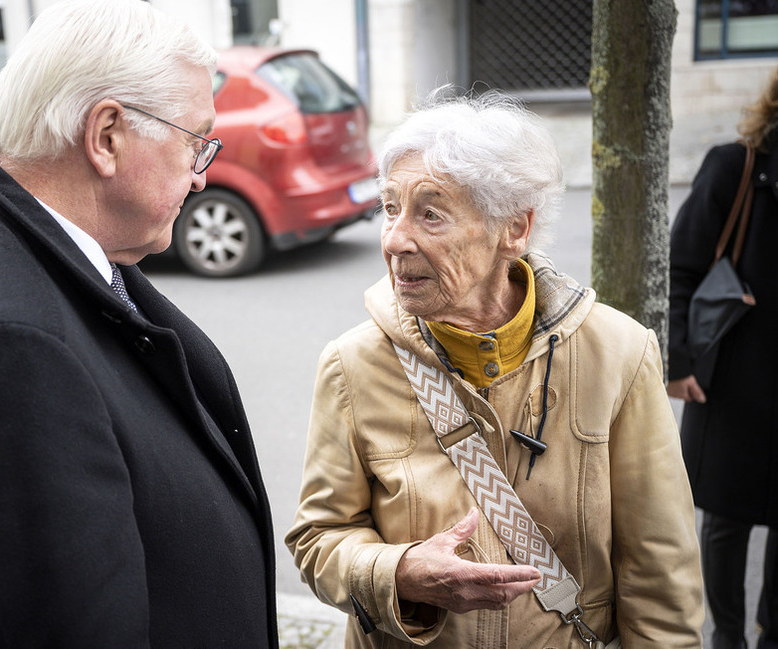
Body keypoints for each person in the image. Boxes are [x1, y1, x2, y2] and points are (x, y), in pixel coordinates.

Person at [0, 1, 278, 646]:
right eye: (196, 140)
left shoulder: (27, 250)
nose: (202, 176)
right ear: (106, 136)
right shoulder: (3, 349)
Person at [285, 92, 705, 648]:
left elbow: (661, 569)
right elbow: (320, 539)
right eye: (390, 208)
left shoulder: (619, 353)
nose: (394, 239)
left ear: (514, 229)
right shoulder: (352, 363)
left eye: (429, 213)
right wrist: (402, 574)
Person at [668, 67, 778, 649]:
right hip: (732, 378)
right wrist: (679, 364)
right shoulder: (734, 167)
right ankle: (728, 638)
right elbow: (682, 267)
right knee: (726, 519)